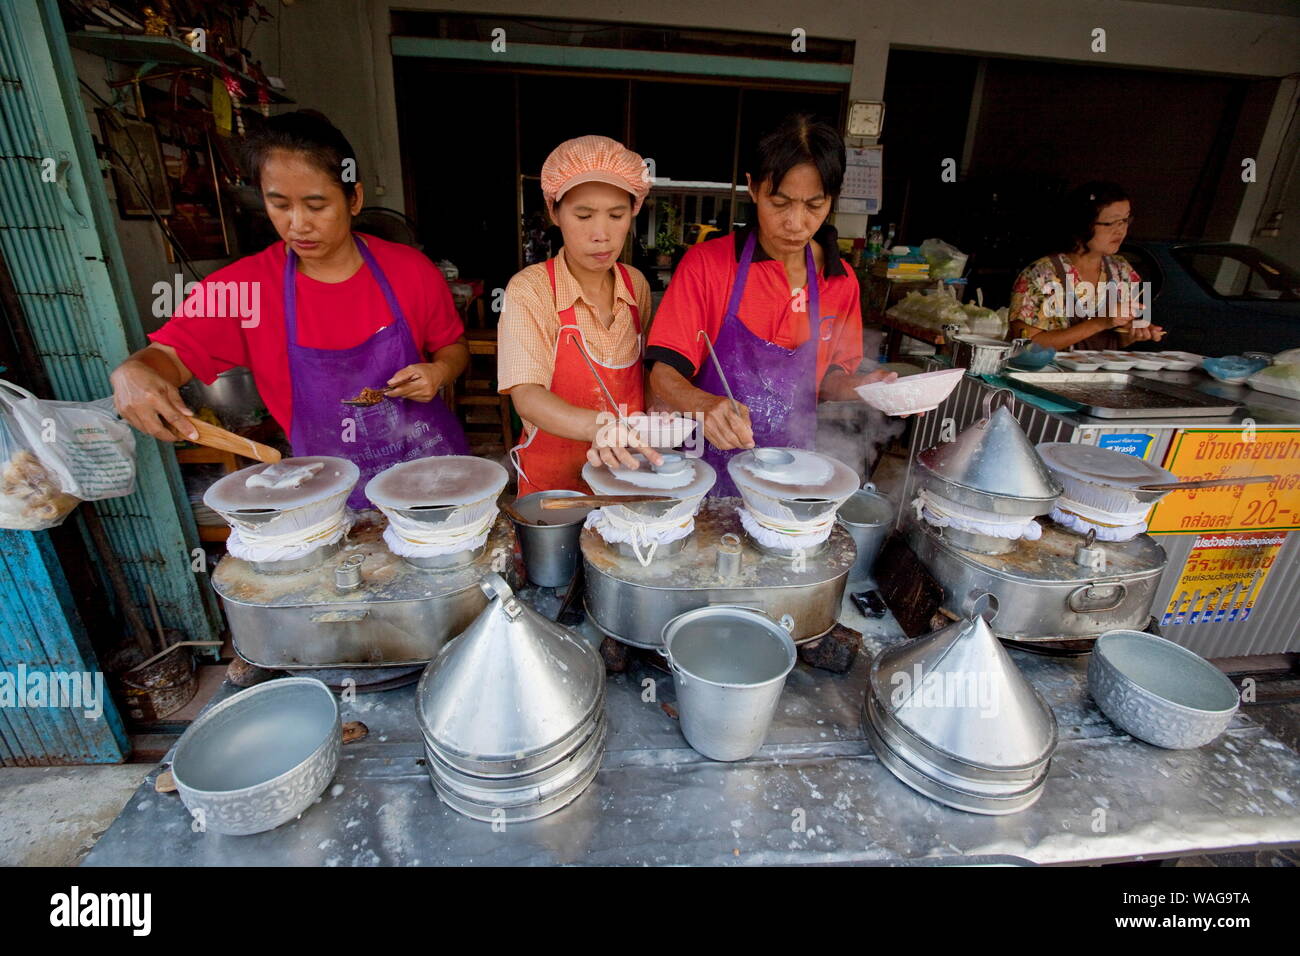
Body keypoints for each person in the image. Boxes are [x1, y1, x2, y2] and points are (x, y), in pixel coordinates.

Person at [109, 111, 469, 508]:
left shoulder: (410, 270)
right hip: (330, 494)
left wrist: (440, 370)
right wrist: (132, 372)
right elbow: (166, 357)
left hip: (432, 475)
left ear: (354, 199)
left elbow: (452, 347)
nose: (298, 224)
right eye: (279, 204)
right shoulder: (243, 288)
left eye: (316, 206)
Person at [644, 114, 896, 497]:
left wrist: (864, 387)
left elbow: (826, 381)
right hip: (702, 471)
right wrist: (704, 404)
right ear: (753, 188)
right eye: (780, 202)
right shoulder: (708, 266)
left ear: (832, 199)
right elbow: (663, 374)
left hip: (790, 474)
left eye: (815, 205)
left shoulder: (840, 280)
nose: (796, 223)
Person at [499, 135, 661, 496]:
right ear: (555, 212)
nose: (601, 235)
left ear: (632, 212)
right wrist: (601, 426)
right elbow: (526, 394)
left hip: (627, 474)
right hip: (555, 487)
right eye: (584, 215)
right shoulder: (530, 289)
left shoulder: (636, 286)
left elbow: (645, 377)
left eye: (616, 215)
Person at [1009, 181, 1165, 350]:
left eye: (1125, 220)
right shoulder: (1041, 274)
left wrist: (1136, 332)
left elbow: (1118, 340)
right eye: (1110, 223)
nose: (1121, 230)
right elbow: (1025, 345)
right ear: (1082, 224)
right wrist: (1100, 322)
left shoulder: (1122, 270)